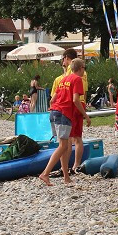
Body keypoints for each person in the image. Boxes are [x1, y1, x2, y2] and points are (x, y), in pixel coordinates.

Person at [38, 58, 90, 186]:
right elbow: (75, 100)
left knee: (64, 145)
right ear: (81, 68)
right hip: (64, 113)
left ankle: (66, 176)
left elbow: (53, 99)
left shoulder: (63, 79)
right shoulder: (77, 79)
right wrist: (85, 115)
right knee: (63, 146)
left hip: (55, 111)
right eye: (84, 68)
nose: (85, 70)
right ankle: (45, 173)